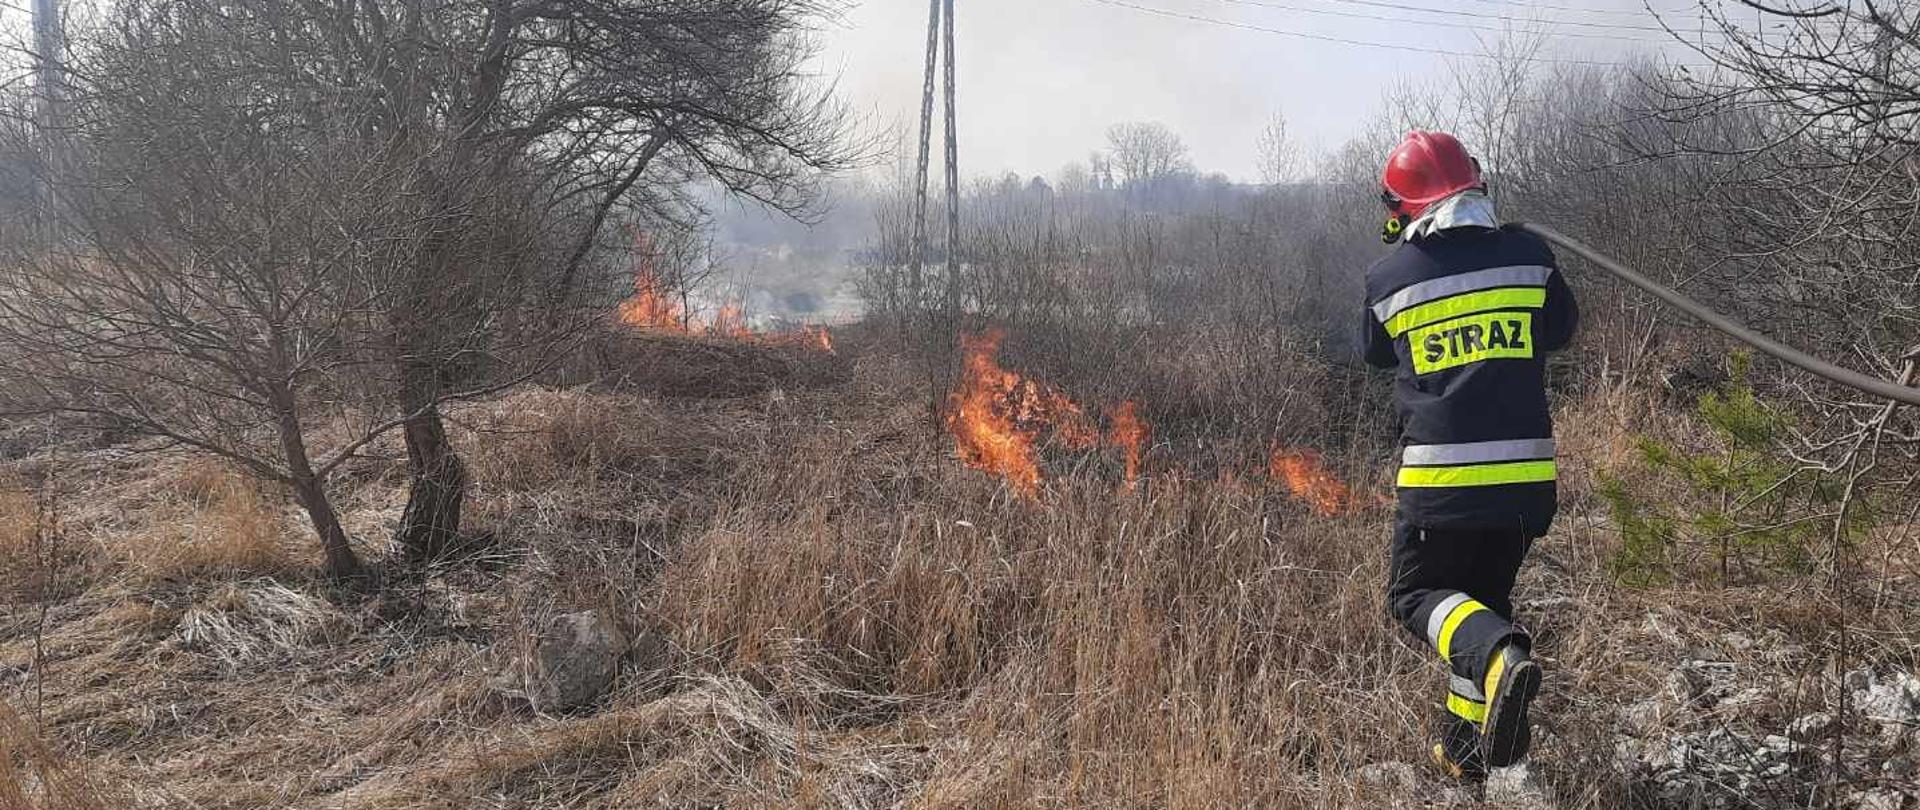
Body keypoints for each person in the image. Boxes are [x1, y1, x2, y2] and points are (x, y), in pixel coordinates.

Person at [1360, 131, 1579, 779]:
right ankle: (1466, 749)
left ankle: (1499, 661)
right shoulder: (1529, 254)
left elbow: (1375, 351)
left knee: (1417, 593)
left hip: (1443, 485)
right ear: (1477, 186)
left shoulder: (1388, 277)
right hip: (1526, 486)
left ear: (1402, 207)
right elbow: (1562, 330)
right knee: (1480, 603)